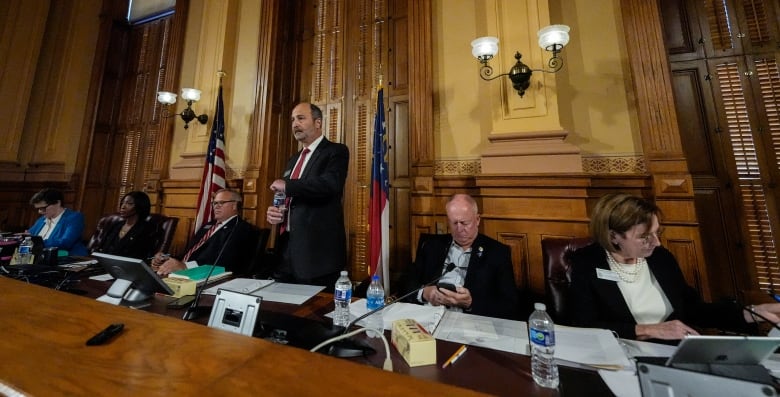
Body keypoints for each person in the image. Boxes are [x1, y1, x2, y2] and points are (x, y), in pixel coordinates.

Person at [568, 192, 780, 341]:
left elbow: (693, 309)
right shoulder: (586, 263)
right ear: (613, 236)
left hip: (673, 351)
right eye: (644, 237)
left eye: (657, 233)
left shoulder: (660, 258)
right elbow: (583, 325)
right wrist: (649, 330)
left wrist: (750, 313)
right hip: (621, 355)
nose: (656, 243)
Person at [266, 102, 349, 290]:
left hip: (317, 256)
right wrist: (275, 211)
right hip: (286, 251)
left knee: (314, 315)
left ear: (318, 122)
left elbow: (330, 185)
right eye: (293, 120)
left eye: (301, 118)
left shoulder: (335, 151)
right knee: (283, 311)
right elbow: (289, 196)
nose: (295, 124)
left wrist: (288, 185)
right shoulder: (293, 159)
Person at [402, 194, 519, 320]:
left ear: (477, 219)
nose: (459, 229)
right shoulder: (432, 246)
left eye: (464, 223)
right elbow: (406, 282)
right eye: (454, 223)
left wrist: (470, 303)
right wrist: (424, 293)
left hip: (471, 322)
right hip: (428, 315)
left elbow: (510, 305)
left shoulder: (497, 252)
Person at [152, 189, 260, 277]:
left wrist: (185, 266)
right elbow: (189, 252)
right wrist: (166, 258)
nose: (216, 206)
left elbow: (223, 263)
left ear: (235, 205)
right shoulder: (208, 225)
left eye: (221, 203)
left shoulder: (241, 229)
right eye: (215, 203)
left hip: (204, 277)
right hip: (181, 273)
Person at [91, 191, 158, 259]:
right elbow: (101, 249)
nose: (123, 207)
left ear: (140, 206)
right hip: (103, 264)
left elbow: (141, 255)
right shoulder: (115, 225)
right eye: (122, 203)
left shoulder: (146, 229)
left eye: (129, 204)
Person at [27, 188, 88, 256]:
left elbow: (65, 243)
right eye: (38, 209)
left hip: (68, 258)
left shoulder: (74, 218)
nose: (40, 212)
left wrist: (37, 243)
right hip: (41, 258)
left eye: (43, 208)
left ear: (58, 203)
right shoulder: (42, 220)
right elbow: (29, 235)